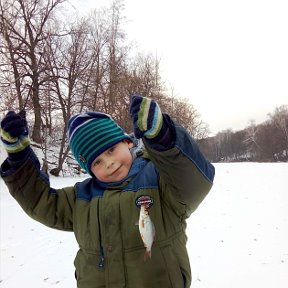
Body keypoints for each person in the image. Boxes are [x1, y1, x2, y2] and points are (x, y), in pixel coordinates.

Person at [0, 95, 215, 288]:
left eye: (111, 150)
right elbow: (41, 203)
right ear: (89, 170)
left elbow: (193, 182)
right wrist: (19, 159)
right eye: (97, 162)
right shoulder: (81, 197)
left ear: (127, 142)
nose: (109, 163)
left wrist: (164, 137)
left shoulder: (161, 179)